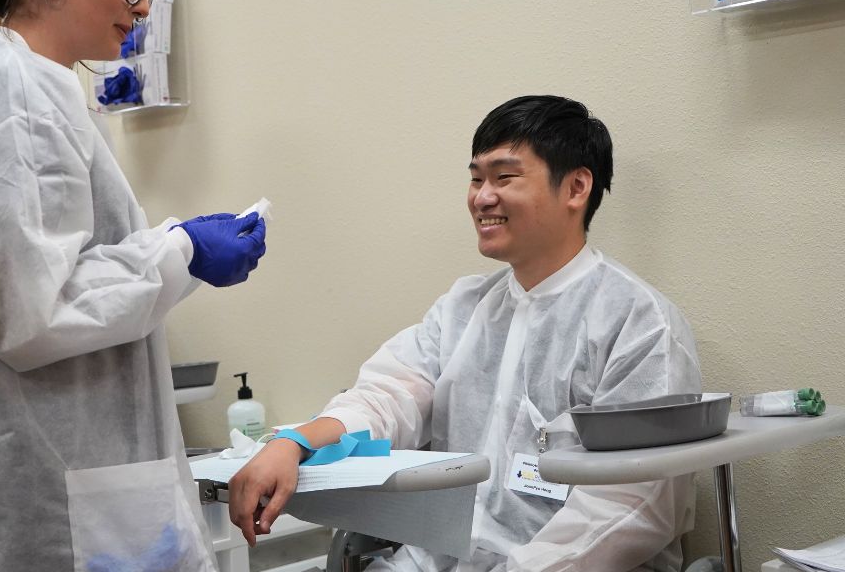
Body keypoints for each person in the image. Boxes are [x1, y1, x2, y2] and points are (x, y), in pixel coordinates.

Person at [0, 0, 266, 569]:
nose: (143, 3)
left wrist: (170, 245)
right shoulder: (4, 91)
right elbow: (28, 311)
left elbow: (47, 266)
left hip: (76, 474)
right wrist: (179, 251)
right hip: (40, 493)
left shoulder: (41, 89)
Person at [229, 96, 701, 572]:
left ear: (577, 187)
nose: (481, 197)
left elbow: (633, 504)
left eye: (504, 177)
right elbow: (387, 395)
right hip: (440, 558)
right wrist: (293, 443)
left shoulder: (639, 324)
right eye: (476, 178)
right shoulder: (464, 307)